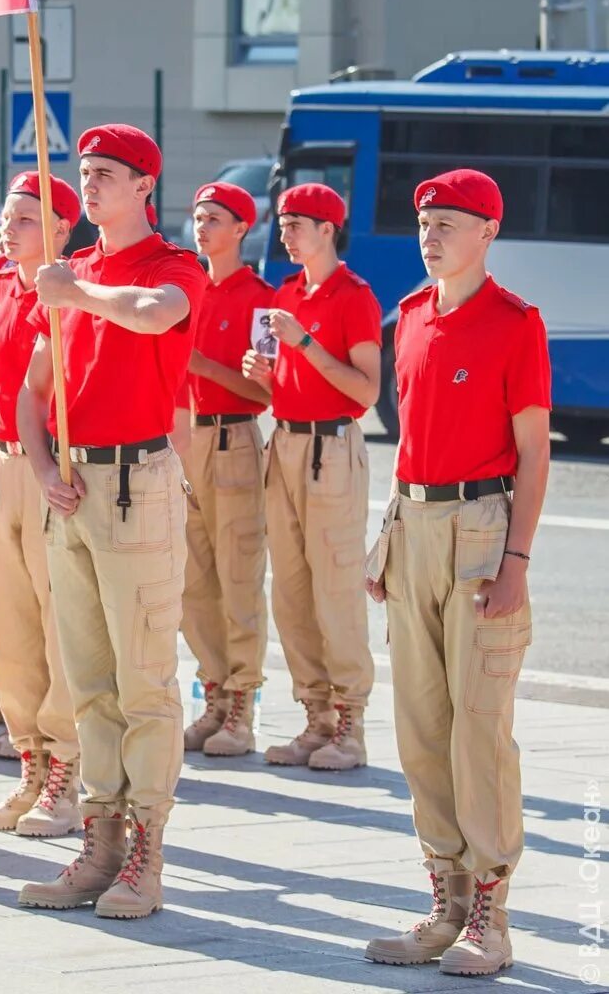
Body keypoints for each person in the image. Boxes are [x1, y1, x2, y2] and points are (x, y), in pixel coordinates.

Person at [13, 125, 206, 919]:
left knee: (145, 683)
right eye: (85, 172)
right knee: (89, 682)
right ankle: (100, 844)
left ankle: (147, 854)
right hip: (77, 485)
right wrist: (45, 469)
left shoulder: (171, 265)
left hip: (141, 479)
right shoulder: (72, 271)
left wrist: (76, 293)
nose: (88, 185)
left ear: (143, 188)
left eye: (106, 175)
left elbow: (158, 315)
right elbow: (30, 393)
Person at [362, 170, 549, 977]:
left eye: (450, 222)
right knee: (420, 730)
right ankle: (445, 898)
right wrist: (388, 544)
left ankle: (492, 918)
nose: (431, 235)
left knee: (478, 732)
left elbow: (534, 454)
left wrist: (515, 561)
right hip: (415, 523)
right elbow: (409, 447)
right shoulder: (407, 317)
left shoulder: (515, 323)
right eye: (425, 222)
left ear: (488, 233)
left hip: (481, 529)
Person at [241, 182, 381, 772]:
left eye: (296, 223)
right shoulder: (287, 292)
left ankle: (351, 724)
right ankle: (316, 718)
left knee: (336, 589)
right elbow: (289, 387)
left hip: (333, 449)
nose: (284, 233)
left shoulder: (355, 296)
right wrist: (265, 375)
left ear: (328, 229)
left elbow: (365, 391)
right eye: (283, 222)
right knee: (291, 591)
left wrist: (307, 343)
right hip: (288, 444)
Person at [0, 171, 83, 838]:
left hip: (51, 471)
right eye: (7, 219)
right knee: (8, 634)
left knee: (57, 626)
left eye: (25, 220)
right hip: (0, 467)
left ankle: (65, 775)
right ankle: (31, 769)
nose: (7, 230)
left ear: (63, 230)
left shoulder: (69, 293)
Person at [180, 182, 275, 758]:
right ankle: (213, 695)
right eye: (198, 216)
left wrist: (201, 364)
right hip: (184, 439)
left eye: (214, 218)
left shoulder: (262, 300)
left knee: (239, 581)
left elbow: (260, 392)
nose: (202, 226)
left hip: (233, 438)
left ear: (242, 227)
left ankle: (242, 706)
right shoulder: (185, 290)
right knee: (194, 584)